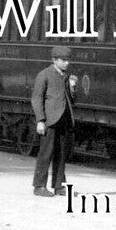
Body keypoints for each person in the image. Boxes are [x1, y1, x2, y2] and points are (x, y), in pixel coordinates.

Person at [31, 45, 78, 196]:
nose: (67, 63)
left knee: (61, 153)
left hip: (63, 120)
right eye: (63, 60)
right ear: (54, 60)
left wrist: (72, 88)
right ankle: (39, 187)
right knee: (46, 153)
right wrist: (40, 120)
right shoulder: (44, 75)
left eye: (68, 60)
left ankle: (59, 186)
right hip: (49, 120)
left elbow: (71, 100)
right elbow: (36, 99)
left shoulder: (66, 77)